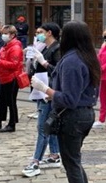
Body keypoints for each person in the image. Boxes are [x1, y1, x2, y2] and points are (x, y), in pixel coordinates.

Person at [30, 20, 100, 183]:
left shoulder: (72, 61)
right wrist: (52, 95)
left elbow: (69, 99)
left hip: (72, 117)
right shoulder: (88, 56)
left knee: (71, 163)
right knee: (73, 160)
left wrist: (45, 89)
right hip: (85, 113)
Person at [22, 22, 62, 177]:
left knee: (43, 127)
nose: (38, 34)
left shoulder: (57, 49)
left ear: (49, 33)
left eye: (41, 32)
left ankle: (35, 161)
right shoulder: (45, 47)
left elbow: (58, 71)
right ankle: (54, 155)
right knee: (49, 125)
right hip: (41, 90)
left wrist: (43, 62)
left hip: (48, 92)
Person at [0, 25, 23, 133]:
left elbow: (14, 64)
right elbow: (2, 58)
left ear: (12, 35)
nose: (3, 36)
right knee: (2, 100)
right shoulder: (6, 45)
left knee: (11, 101)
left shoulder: (15, 47)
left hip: (12, 77)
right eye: (3, 33)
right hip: (3, 77)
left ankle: (12, 124)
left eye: (6, 34)